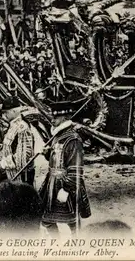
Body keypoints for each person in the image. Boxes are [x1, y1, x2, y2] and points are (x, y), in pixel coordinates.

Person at [39, 101, 91, 237]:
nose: (52, 120)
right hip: (51, 185)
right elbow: (57, 160)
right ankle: (57, 244)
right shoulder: (58, 136)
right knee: (47, 220)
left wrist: (66, 189)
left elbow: (76, 170)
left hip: (65, 186)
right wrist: (47, 154)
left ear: (64, 118)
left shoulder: (73, 140)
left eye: (55, 117)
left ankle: (75, 248)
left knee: (72, 223)